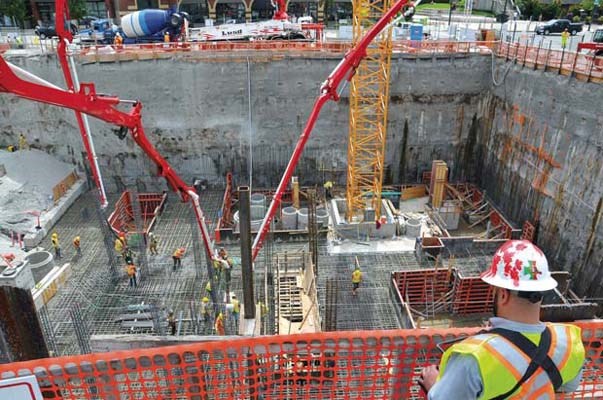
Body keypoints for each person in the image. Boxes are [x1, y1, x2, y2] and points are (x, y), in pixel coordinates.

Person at [419, 240, 585, 399]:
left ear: (503, 295)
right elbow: (566, 387)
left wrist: (433, 385)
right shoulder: (570, 342)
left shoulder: (474, 357)